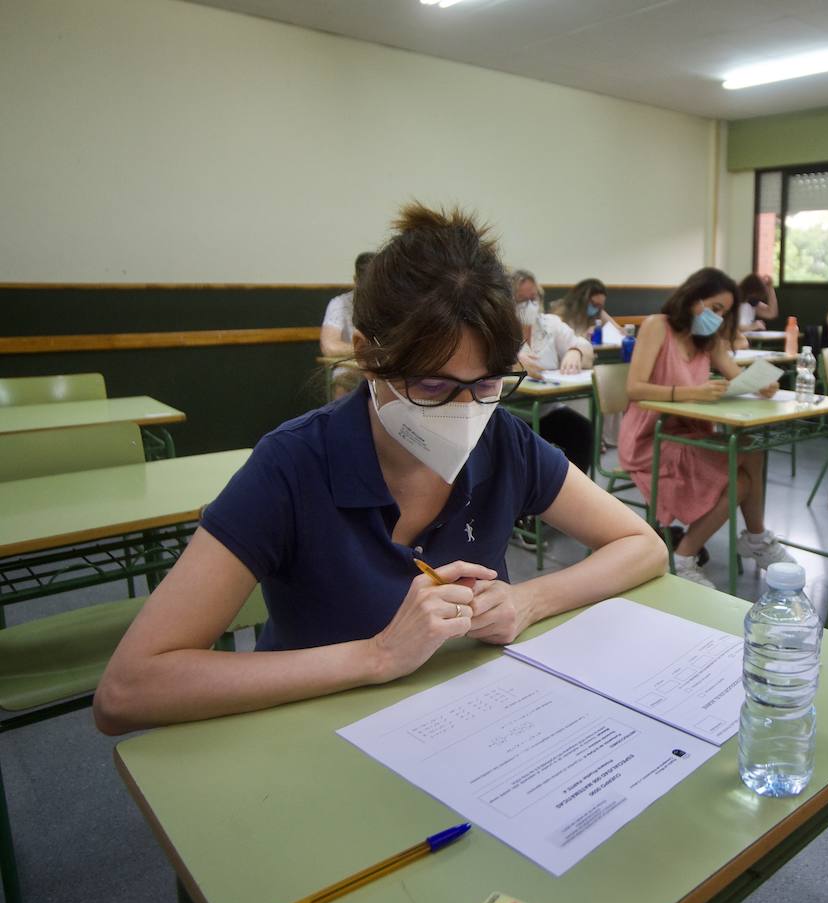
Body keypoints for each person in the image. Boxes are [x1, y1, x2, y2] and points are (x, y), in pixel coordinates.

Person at [93, 205, 666, 734]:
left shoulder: (504, 441)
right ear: (368, 355)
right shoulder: (293, 464)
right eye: (433, 385)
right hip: (314, 732)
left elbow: (643, 546)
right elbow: (127, 691)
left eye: (487, 383)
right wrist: (378, 655)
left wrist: (529, 601)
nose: (466, 413)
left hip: (465, 723)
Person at [619, 268, 795, 590]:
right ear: (692, 297)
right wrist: (690, 393)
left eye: (723, 313)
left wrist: (761, 385)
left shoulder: (708, 340)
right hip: (649, 436)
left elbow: (734, 374)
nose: (717, 317)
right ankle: (687, 555)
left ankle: (753, 538)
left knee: (752, 448)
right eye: (714, 308)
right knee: (740, 479)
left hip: (687, 432)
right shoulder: (658, 326)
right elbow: (634, 388)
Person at [514, 272, 596, 475]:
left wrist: (575, 352)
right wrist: (512, 364)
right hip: (512, 410)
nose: (530, 305)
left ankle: (574, 493)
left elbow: (584, 346)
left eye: (534, 298)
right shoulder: (497, 328)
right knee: (524, 449)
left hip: (546, 408)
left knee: (582, 431)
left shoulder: (550, 324)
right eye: (522, 300)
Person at [320, 251, 374, 399]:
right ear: (356, 280)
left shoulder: (391, 303)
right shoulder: (340, 304)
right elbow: (329, 347)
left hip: (382, 368)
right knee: (344, 380)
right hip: (350, 368)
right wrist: (367, 351)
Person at [555, 277, 623, 340]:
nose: (596, 309)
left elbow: (619, 331)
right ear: (581, 299)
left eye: (600, 306)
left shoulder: (599, 311)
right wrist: (584, 336)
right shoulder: (561, 312)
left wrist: (620, 332)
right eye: (594, 304)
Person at [731, 273, 780, 349]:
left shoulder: (751, 302)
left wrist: (770, 289)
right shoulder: (733, 301)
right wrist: (753, 326)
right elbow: (730, 327)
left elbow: (772, 313)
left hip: (745, 343)